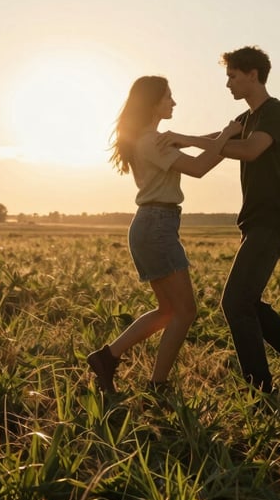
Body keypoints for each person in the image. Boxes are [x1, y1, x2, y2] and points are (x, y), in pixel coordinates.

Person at [161, 46, 280, 395]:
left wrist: (187, 139)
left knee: (235, 302)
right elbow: (220, 145)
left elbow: (250, 151)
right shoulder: (245, 121)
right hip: (255, 222)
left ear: (253, 74)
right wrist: (194, 140)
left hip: (273, 220)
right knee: (244, 301)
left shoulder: (276, 112)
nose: (228, 84)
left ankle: (260, 387)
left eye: (233, 76)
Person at [86, 75, 241, 395]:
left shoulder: (152, 138)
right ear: (153, 102)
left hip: (152, 224)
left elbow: (200, 142)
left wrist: (230, 133)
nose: (174, 102)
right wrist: (228, 135)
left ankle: (107, 357)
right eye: (168, 97)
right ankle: (158, 384)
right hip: (157, 225)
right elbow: (199, 167)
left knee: (168, 310)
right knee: (185, 311)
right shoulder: (151, 142)